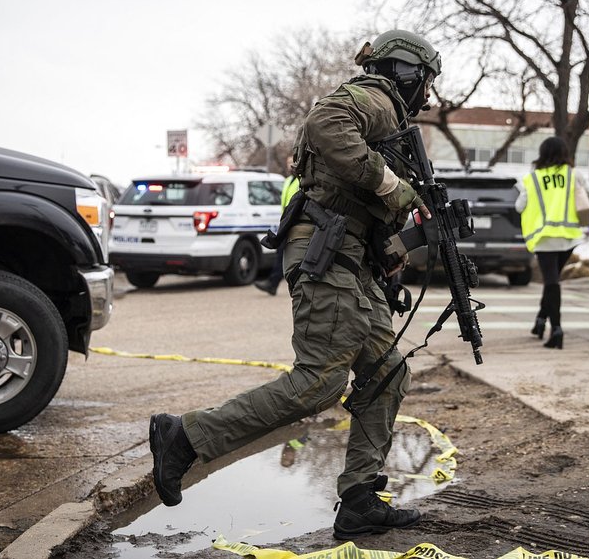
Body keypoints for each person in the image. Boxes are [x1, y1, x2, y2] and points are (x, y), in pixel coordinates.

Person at [148, 29, 440, 540]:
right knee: (319, 383)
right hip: (328, 254)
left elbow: (357, 198)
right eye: (427, 81)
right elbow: (326, 122)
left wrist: (394, 247)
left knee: (387, 373)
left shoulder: (387, 118)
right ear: (406, 72)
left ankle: (359, 500)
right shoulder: (376, 99)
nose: (429, 96)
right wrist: (393, 186)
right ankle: (187, 436)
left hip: (352, 259)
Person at [515, 136, 589, 349]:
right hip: (568, 238)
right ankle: (541, 320)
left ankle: (556, 329)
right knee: (552, 282)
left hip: (545, 239)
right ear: (565, 153)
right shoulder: (574, 176)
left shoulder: (533, 179)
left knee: (551, 282)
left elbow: (519, 206)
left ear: (542, 154)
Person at [254, 165, 301, 295]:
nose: (291, 165)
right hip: (286, 221)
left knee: (283, 254)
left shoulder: (301, 181)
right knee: (282, 254)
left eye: (293, 161)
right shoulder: (287, 181)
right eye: (288, 162)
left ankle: (273, 283)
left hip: (295, 222)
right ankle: (273, 283)